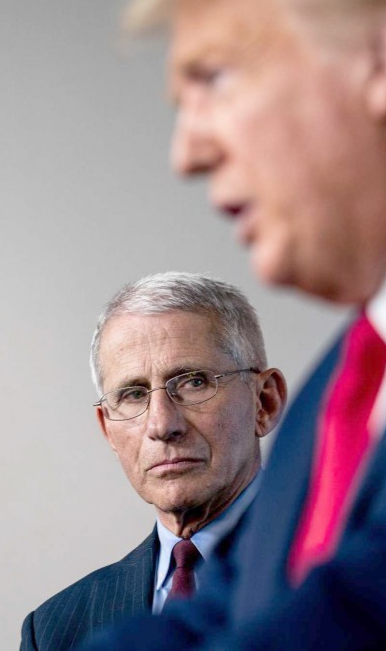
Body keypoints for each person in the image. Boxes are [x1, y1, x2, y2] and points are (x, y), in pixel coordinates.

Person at [83, 0, 386, 648]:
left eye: (215, 78)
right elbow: (224, 615)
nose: (186, 153)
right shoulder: (343, 386)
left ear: (384, 57)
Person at [20, 272, 287, 650]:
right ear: (108, 429)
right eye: (133, 394)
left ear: (264, 403)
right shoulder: (54, 630)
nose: (162, 425)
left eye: (194, 382)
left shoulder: (345, 572)